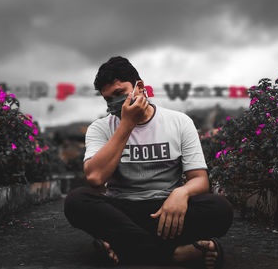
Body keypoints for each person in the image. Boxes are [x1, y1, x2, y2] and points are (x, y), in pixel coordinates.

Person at [64, 56, 233, 268]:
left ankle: (123, 248)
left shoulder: (179, 122)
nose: (114, 102)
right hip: (121, 209)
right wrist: (126, 124)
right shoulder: (100, 128)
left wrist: (181, 193)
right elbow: (95, 178)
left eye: (120, 93)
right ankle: (176, 255)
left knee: (220, 208)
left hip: (167, 211)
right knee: (77, 201)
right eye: (108, 99)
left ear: (140, 87)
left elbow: (200, 180)